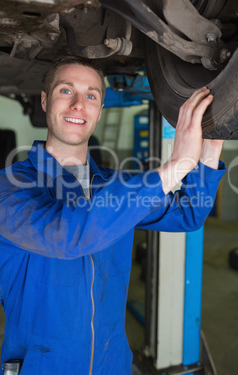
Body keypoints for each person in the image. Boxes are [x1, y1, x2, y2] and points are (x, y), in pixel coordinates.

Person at [0, 55, 225, 375]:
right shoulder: (9, 186)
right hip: (43, 365)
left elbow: (188, 213)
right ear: (45, 101)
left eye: (91, 95)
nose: (79, 104)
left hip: (112, 361)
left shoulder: (115, 186)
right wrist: (174, 168)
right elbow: (64, 237)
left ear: (99, 110)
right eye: (66, 91)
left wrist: (212, 145)